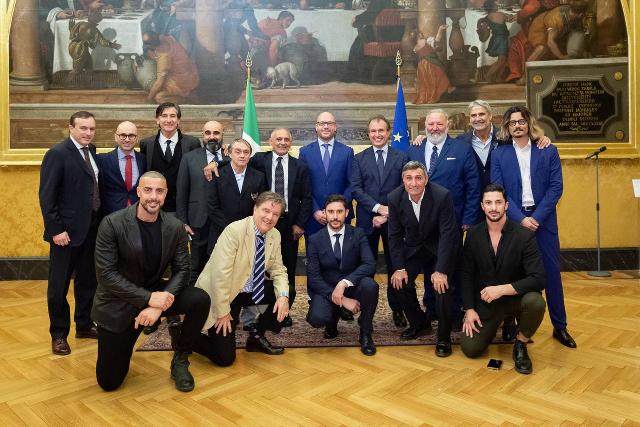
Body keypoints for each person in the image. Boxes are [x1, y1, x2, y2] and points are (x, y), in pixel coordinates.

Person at [92, 172, 211, 392]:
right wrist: (148, 298)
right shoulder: (112, 223)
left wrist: (158, 304)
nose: (153, 197)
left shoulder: (174, 226)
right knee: (109, 382)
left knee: (199, 299)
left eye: (159, 191)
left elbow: (183, 270)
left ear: (166, 194)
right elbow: (106, 275)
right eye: (148, 190)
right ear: (138, 192)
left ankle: (181, 357)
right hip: (119, 304)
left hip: (155, 295)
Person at [491, 105, 577, 349]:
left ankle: (560, 326)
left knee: (551, 275)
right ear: (507, 127)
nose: (517, 125)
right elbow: (498, 189)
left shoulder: (547, 150)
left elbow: (555, 188)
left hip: (544, 222)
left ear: (529, 123)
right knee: (512, 273)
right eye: (512, 122)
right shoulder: (500, 154)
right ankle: (510, 324)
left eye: (521, 121)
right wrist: (520, 219)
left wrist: (536, 218)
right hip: (514, 222)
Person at [194, 192, 290, 365]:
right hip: (222, 295)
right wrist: (223, 312)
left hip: (247, 290)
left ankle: (256, 336)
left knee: (288, 290)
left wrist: (283, 295)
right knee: (224, 359)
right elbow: (219, 276)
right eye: (266, 210)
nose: (270, 217)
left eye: (275, 214)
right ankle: (184, 335)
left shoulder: (274, 235)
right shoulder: (234, 231)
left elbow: (278, 268)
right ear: (255, 208)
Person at [460, 184, 546, 374]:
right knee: (471, 349)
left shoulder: (524, 236)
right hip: (487, 302)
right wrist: (469, 309)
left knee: (536, 302)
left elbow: (539, 278)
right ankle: (502, 322)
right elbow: (466, 274)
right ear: (482, 206)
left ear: (506, 205)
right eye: (488, 203)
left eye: (498, 202)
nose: (493, 207)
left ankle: (521, 343)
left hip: (515, 299)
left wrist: (501, 289)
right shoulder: (473, 234)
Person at [408, 109, 480, 329]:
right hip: (423, 224)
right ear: (425, 126)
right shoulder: (415, 148)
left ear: (447, 125)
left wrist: (468, 218)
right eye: (430, 125)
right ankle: (432, 309)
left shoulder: (461, 149)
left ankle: (454, 311)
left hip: (453, 222)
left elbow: (473, 186)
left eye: (439, 124)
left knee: (452, 267)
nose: (434, 128)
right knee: (430, 268)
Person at [39, 110, 101, 356]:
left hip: (91, 230)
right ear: (71, 128)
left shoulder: (92, 151)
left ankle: (84, 324)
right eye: (83, 128)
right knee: (59, 286)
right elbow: (47, 197)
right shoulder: (57, 154)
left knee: (87, 281)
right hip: (65, 234)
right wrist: (56, 230)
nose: (88, 133)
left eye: (92, 129)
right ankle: (59, 334)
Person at [387, 161, 459, 357]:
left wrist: (441, 270)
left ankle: (443, 337)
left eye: (418, 178)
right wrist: (399, 268)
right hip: (413, 249)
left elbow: (448, 234)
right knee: (399, 283)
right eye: (409, 178)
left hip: (439, 248)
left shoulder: (442, 195)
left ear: (426, 179)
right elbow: (393, 235)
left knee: (442, 287)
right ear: (403, 181)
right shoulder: (394, 198)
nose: (414, 183)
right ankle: (420, 324)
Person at [248, 128, 312, 326]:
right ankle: (256, 308)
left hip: (288, 225)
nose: (282, 142)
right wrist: (216, 162)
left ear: (291, 142)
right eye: (278, 139)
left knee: (287, 266)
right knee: (259, 265)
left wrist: (300, 224)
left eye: (286, 139)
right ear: (271, 141)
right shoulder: (259, 160)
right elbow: (237, 163)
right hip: (263, 223)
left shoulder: (300, 166)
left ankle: (285, 309)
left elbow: (306, 197)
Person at [351, 115, 408, 328]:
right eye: (373, 131)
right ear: (369, 134)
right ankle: (367, 311)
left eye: (381, 131)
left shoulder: (401, 157)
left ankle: (398, 309)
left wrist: (388, 213)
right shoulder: (359, 158)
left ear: (389, 132)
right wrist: (377, 209)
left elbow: (406, 188)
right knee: (366, 266)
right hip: (368, 221)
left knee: (396, 266)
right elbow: (356, 189)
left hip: (395, 221)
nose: (377, 135)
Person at [306, 195, 379, 356]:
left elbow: (369, 264)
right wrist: (342, 298)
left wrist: (345, 283)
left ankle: (365, 333)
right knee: (316, 318)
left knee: (370, 285)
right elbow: (314, 277)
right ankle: (332, 322)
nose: (335, 216)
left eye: (339, 211)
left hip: (353, 286)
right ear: (325, 213)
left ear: (347, 213)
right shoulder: (315, 240)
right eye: (331, 212)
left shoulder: (358, 234)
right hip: (328, 288)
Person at [176, 121, 230, 286]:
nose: (212, 137)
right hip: (198, 220)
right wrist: (183, 222)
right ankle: (195, 306)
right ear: (203, 135)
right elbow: (181, 192)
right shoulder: (189, 158)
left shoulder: (231, 157)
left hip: (224, 221)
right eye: (208, 133)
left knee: (222, 267)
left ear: (222, 135)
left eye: (216, 133)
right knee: (196, 266)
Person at [299, 111, 355, 239]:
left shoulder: (347, 152)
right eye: (322, 123)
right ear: (316, 127)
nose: (325, 127)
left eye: (329, 123)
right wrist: (315, 211)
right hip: (314, 217)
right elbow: (303, 186)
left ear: (335, 127)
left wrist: (338, 208)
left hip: (341, 216)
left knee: (342, 256)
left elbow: (352, 184)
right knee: (315, 256)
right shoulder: (305, 152)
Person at [207, 138, 268, 252]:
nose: (242, 155)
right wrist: (232, 228)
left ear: (250, 155)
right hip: (221, 232)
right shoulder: (216, 174)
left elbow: (260, 206)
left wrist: (248, 228)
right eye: (238, 151)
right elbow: (212, 207)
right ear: (229, 154)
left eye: (246, 152)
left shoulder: (259, 176)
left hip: (249, 234)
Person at [139, 102, 200, 215]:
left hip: (183, 209)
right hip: (153, 208)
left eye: (172, 116)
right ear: (157, 120)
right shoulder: (146, 144)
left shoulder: (192, 143)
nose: (168, 120)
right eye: (164, 116)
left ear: (178, 120)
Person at [97, 121, 146, 215]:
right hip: (111, 214)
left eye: (131, 135)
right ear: (116, 137)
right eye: (123, 135)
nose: (127, 139)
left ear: (137, 138)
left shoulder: (144, 160)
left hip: (138, 213)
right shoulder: (102, 160)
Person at [142, 31, 199, 103]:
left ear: (151, 46)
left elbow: (159, 82)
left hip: (181, 82)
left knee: (159, 97)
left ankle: (186, 99)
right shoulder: (167, 39)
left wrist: (149, 98)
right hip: (190, 73)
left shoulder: (163, 57)